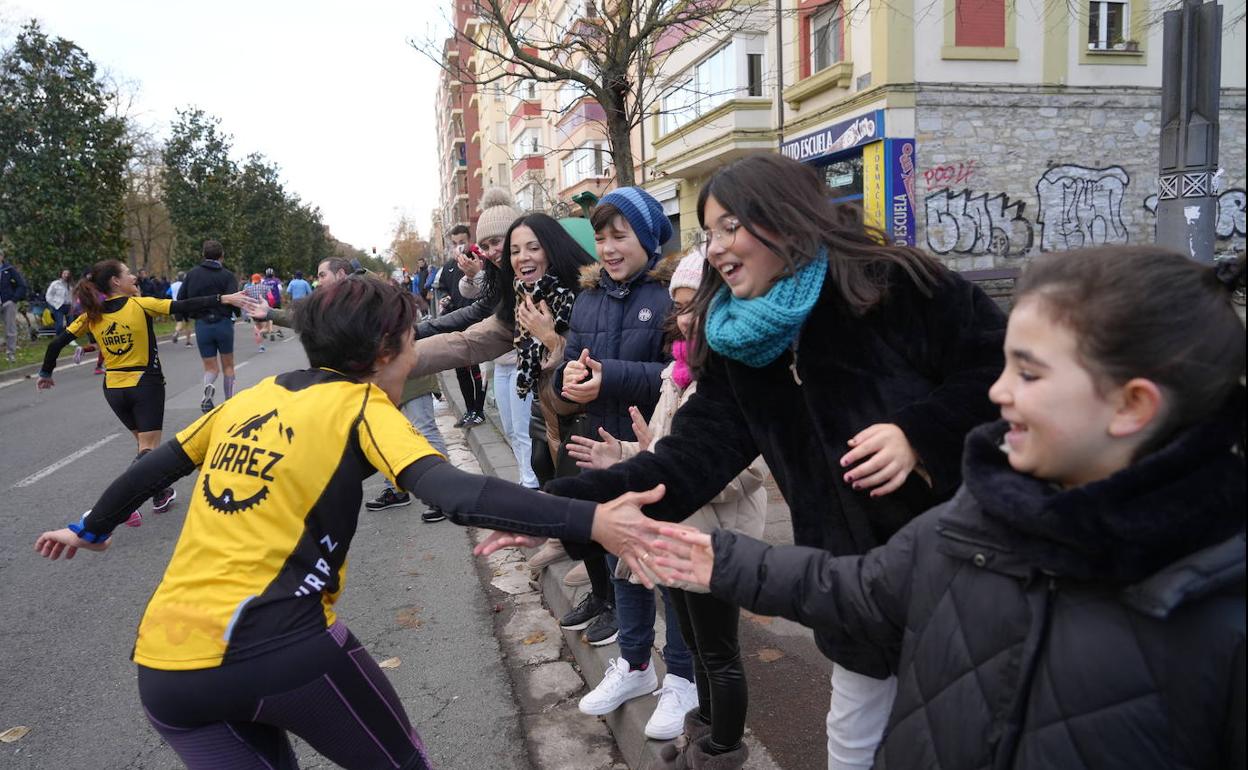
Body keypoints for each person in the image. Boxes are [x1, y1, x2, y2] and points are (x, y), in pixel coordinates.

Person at [652, 247, 1247, 769]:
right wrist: (722, 562)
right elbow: (859, 587)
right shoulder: (988, 514)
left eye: (1028, 372)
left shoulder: (1221, 620)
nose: (996, 390)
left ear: (1132, 406)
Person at [32, 275, 649, 770]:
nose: (417, 348)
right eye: (412, 337)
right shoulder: (363, 404)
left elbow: (155, 467)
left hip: (167, 674)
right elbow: (453, 493)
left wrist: (90, 528)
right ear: (385, 351)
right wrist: (593, 518)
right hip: (284, 651)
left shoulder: (251, 398)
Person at [543, 153, 1006, 769]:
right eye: (708, 233)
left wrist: (919, 433)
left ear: (786, 221)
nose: (715, 248)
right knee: (851, 754)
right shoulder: (740, 341)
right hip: (851, 595)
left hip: (964, 576)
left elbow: (1004, 367)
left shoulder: (892, 283)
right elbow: (687, 461)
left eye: (731, 226)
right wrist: (551, 509)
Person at [566, 248, 767, 763]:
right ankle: (702, 732)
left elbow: (743, 470)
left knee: (720, 653)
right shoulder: (675, 374)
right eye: (678, 307)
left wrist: (655, 455)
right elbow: (662, 447)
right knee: (696, 647)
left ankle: (722, 750)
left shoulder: (743, 374)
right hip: (673, 529)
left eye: (695, 304)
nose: (684, 318)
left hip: (715, 535)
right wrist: (625, 455)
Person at [550, 186, 692, 738]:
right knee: (622, 560)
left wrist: (608, 373)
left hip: (658, 449)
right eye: (602, 237)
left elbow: (676, 373)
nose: (609, 248)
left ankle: (682, 676)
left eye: (621, 236)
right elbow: (572, 373)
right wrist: (569, 384)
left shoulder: (670, 296)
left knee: (670, 566)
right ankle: (634, 664)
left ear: (649, 238)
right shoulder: (586, 299)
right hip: (602, 451)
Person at [37, 259, 249, 525]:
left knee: (143, 447)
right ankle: (118, 506)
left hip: (113, 389)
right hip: (144, 384)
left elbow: (56, 343)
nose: (134, 277)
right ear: (116, 282)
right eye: (128, 274)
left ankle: (161, 494)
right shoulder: (140, 304)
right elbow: (184, 305)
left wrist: (46, 373)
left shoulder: (91, 315)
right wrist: (224, 297)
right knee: (149, 449)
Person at [178, 240, 242, 413]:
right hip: (223, 323)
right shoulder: (227, 276)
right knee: (228, 366)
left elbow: (181, 298)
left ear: (203, 255)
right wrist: (237, 312)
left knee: (210, 367)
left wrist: (184, 316)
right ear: (222, 256)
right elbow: (234, 298)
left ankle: (208, 391)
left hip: (202, 325)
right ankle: (230, 401)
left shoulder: (192, 275)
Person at [440, 224, 488, 426]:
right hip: (455, 322)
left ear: (470, 240)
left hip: (476, 321)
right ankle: (469, 410)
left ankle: (479, 410)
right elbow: (444, 288)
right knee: (460, 368)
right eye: (455, 243)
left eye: (462, 242)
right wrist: (445, 298)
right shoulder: (450, 266)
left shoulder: (479, 261)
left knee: (478, 368)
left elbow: (485, 288)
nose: (459, 247)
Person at [1, 250, 30, 363]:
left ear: (2, 257)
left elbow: (21, 285)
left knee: (10, 329)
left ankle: (11, 354)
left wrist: (13, 300)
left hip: (7, 303)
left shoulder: (9, 269)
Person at [243, 273, 272, 352]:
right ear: (260, 280)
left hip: (254, 311)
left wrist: (246, 310)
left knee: (257, 326)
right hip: (264, 310)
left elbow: (245, 299)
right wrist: (270, 305)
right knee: (268, 328)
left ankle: (261, 346)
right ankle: (262, 332)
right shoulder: (266, 287)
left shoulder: (248, 289)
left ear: (253, 280)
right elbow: (271, 298)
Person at [45, 268, 74, 336]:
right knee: (60, 323)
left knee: (71, 323)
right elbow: (48, 295)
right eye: (64, 273)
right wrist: (54, 304)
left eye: (67, 274)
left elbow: (73, 295)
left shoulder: (71, 284)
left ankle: (69, 337)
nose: (66, 275)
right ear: (61, 274)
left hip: (69, 305)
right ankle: (59, 337)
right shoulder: (55, 284)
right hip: (59, 306)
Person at [262, 268, 285, 342]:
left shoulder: (264, 282)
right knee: (278, 315)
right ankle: (278, 330)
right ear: (273, 274)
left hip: (267, 301)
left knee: (268, 317)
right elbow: (280, 289)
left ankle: (268, 331)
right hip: (276, 300)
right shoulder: (276, 280)